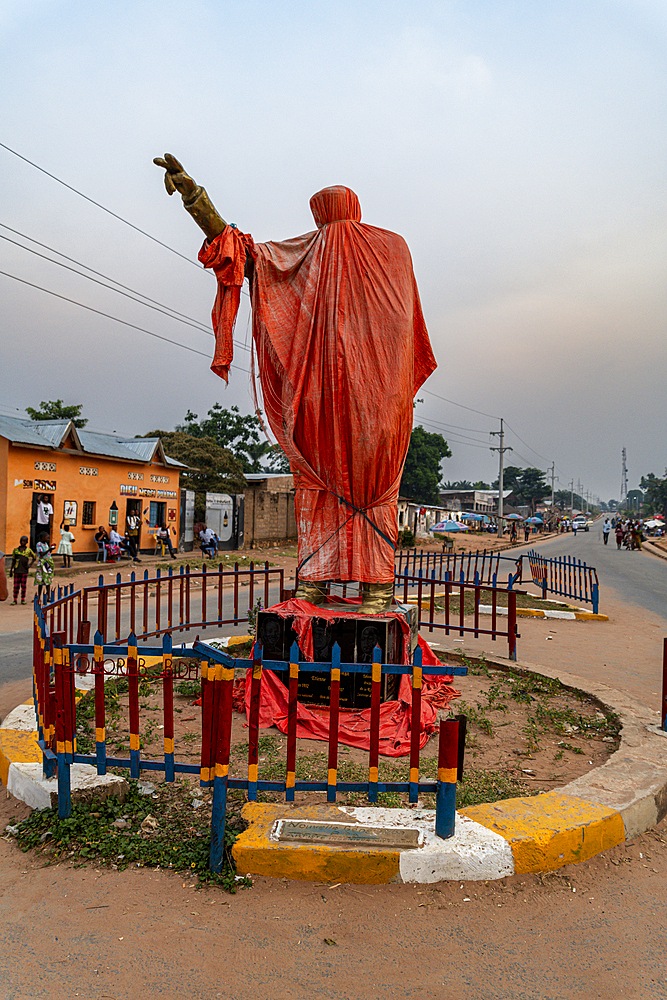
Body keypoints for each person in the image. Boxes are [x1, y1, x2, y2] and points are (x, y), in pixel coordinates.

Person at [154, 155, 436, 614]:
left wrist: (194, 198)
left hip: (318, 403)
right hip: (379, 405)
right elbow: (408, 334)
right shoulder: (394, 249)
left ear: (317, 213)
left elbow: (240, 256)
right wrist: (389, 385)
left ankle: (314, 588)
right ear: (356, 207)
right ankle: (376, 591)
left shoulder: (303, 252)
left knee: (318, 481)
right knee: (373, 485)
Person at [9, 536, 35, 605]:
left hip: (24, 571)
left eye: (24, 541)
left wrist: (30, 565)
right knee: (16, 586)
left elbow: (34, 557)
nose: (22, 542)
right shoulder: (16, 550)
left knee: (23, 586)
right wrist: (11, 570)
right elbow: (13, 560)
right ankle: (15, 600)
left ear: (26, 542)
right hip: (17, 570)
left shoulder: (28, 551)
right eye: (21, 540)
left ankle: (23, 599)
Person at [34, 531, 55, 603]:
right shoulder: (39, 544)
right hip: (42, 564)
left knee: (48, 581)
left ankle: (48, 597)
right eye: (47, 538)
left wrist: (51, 549)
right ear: (42, 538)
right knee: (41, 581)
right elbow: (41, 554)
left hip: (47, 564)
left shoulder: (46, 544)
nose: (48, 539)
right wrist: (49, 549)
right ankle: (39, 597)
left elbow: (47, 553)